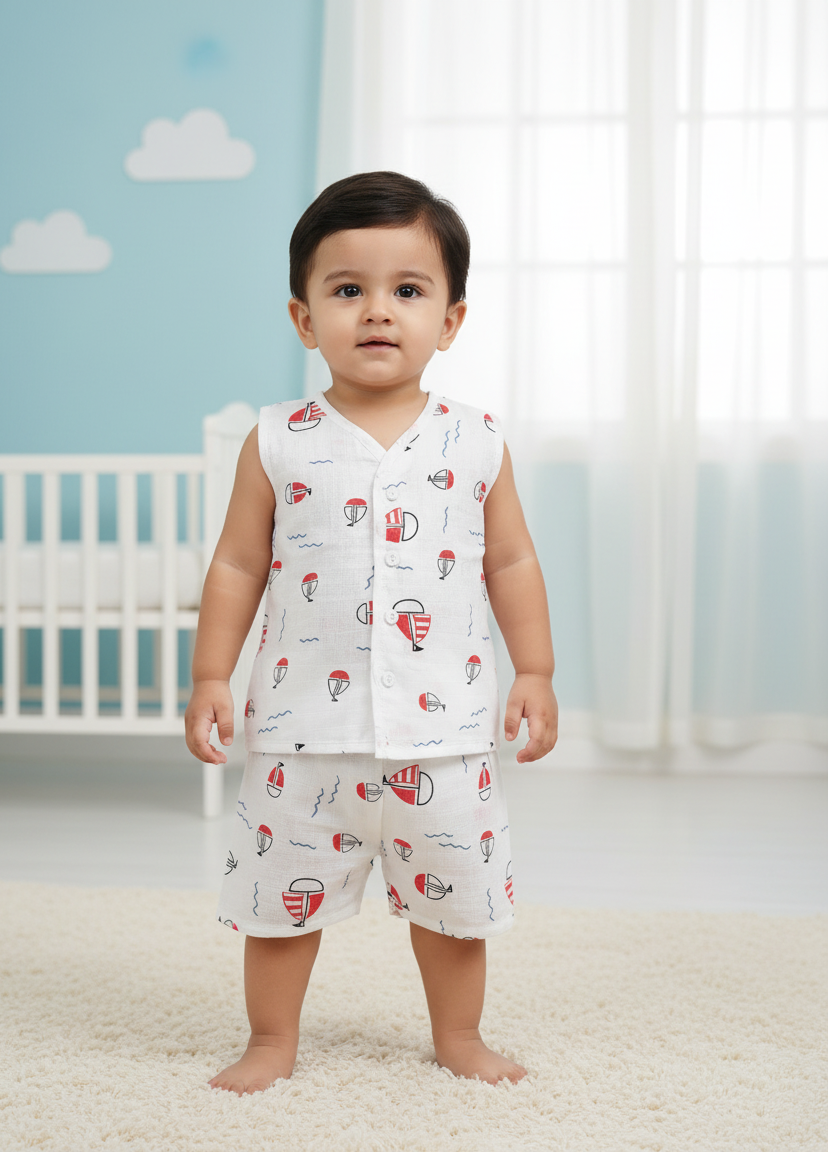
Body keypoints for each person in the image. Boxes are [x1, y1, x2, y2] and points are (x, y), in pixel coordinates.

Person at [185, 171, 557, 1094]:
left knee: (454, 905)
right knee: (279, 906)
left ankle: (458, 1036)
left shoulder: (477, 440)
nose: (377, 311)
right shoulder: (276, 439)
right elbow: (238, 565)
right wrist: (210, 677)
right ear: (305, 319)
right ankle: (271, 1041)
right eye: (347, 290)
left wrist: (535, 671)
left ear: (452, 319)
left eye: (408, 290)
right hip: (302, 737)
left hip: (446, 736)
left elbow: (510, 564)